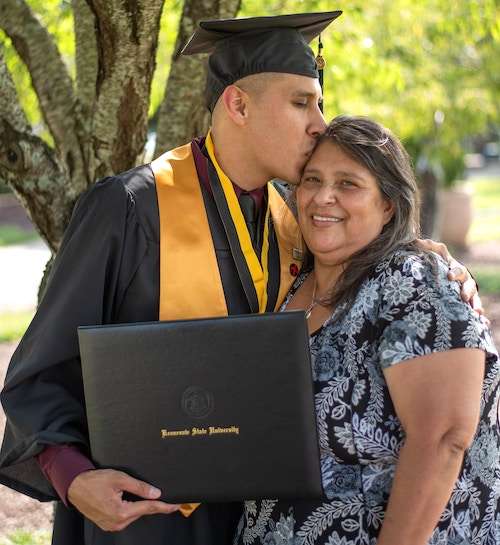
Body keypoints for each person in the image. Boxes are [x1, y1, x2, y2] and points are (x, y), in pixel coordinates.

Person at [0, 11, 479, 545]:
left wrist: (431, 261)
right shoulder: (131, 209)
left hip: (255, 522)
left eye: (318, 103)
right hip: (145, 523)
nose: (320, 123)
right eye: (302, 102)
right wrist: (74, 476)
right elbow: (40, 372)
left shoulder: (293, 225)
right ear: (239, 104)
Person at [234, 115, 500, 545]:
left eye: (348, 184)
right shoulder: (293, 287)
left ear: (388, 204)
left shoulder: (413, 283)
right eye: (312, 180)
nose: (323, 197)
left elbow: (443, 438)